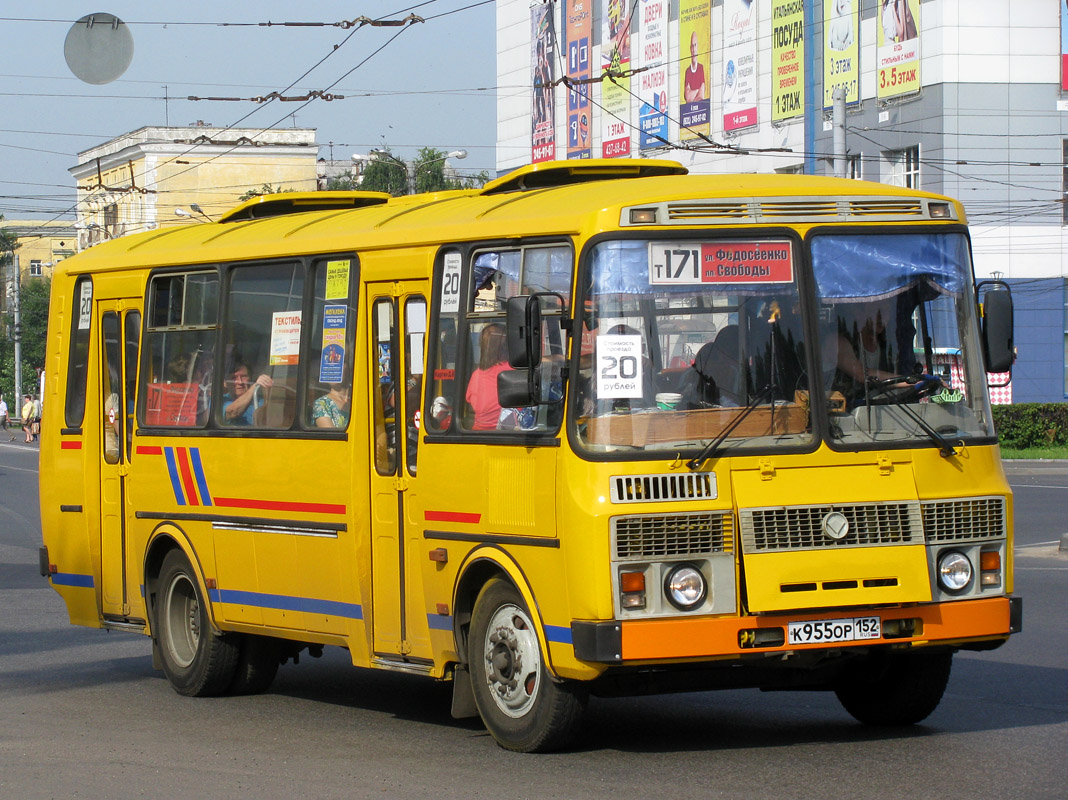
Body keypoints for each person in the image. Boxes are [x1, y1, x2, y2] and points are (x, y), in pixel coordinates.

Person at [466, 323, 511, 430]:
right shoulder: (511, 370)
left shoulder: (476, 374)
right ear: (505, 346)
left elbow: (469, 399)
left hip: (477, 432)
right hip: (505, 432)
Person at [683, 31, 706, 103]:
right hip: (689, 110)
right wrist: (697, 91)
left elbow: (701, 96)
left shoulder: (701, 68)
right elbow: (688, 98)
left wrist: (692, 92)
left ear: (698, 47)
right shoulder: (687, 72)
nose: (694, 49)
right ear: (690, 48)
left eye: (695, 45)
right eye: (692, 46)